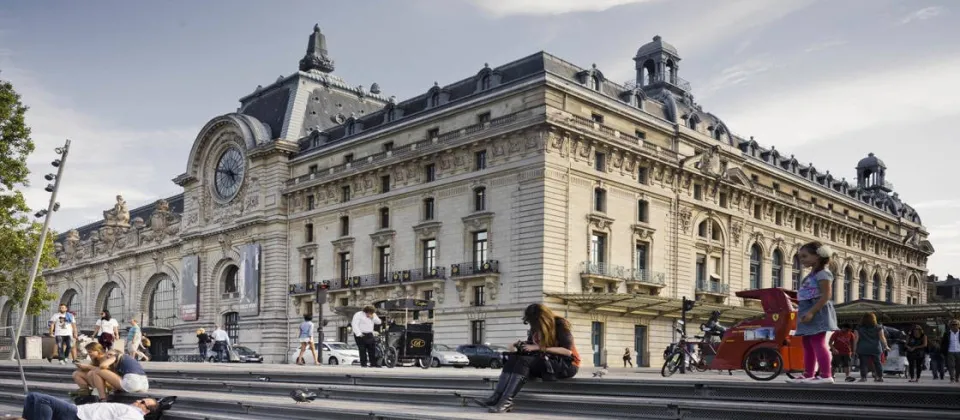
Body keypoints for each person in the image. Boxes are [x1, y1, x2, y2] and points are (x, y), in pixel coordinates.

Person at [474, 303, 580, 413]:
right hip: (546, 362)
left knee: (523, 361)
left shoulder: (560, 325)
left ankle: (506, 402)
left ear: (542, 319)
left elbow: (567, 352)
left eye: (534, 323)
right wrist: (518, 345)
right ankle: (496, 398)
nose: (533, 326)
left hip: (567, 365)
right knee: (513, 358)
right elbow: (531, 345)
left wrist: (539, 347)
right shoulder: (535, 328)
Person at [787, 241, 838, 384]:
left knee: (818, 341)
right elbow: (808, 293)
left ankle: (826, 375)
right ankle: (808, 374)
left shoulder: (823, 273)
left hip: (817, 310)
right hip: (807, 309)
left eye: (804, 256)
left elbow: (826, 295)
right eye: (800, 257)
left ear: (817, 257)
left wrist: (811, 312)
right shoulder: (813, 274)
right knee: (807, 343)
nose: (801, 260)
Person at [72, 342, 150, 399]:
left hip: (132, 383)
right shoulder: (124, 359)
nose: (108, 356)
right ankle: (87, 393)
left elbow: (103, 366)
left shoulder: (117, 356)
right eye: (107, 354)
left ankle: (102, 398)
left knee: (97, 371)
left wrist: (89, 367)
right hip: (144, 384)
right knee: (80, 373)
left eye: (110, 354)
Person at [20, 391, 157, 420]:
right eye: (141, 399)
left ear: (146, 410)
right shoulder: (130, 410)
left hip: (78, 416)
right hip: (77, 412)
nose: (139, 401)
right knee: (31, 399)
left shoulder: (135, 416)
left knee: (38, 398)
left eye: (143, 402)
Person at [853, 312, 890, 383]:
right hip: (876, 348)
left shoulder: (858, 328)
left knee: (863, 363)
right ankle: (880, 377)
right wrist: (886, 346)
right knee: (878, 363)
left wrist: (854, 350)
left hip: (863, 348)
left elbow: (856, 339)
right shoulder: (878, 327)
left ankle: (863, 378)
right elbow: (882, 337)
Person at [940, 318, 960, 383]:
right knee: (951, 366)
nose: (954, 326)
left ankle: (957, 377)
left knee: (958, 366)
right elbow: (943, 343)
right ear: (950, 326)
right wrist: (942, 352)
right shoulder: (946, 334)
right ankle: (952, 378)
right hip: (950, 351)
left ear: (958, 325)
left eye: (955, 324)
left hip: (959, 351)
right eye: (952, 324)